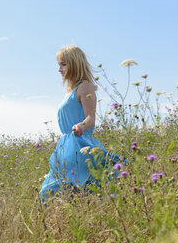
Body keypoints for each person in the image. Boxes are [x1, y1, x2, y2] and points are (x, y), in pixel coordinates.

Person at [39, 45, 125, 203]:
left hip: (79, 142)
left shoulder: (85, 86)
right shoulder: (69, 91)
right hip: (65, 145)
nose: (59, 69)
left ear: (75, 64)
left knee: (82, 187)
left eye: (63, 64)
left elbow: (91, 118)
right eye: (59, 64)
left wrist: (81, 126)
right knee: (55, 190)